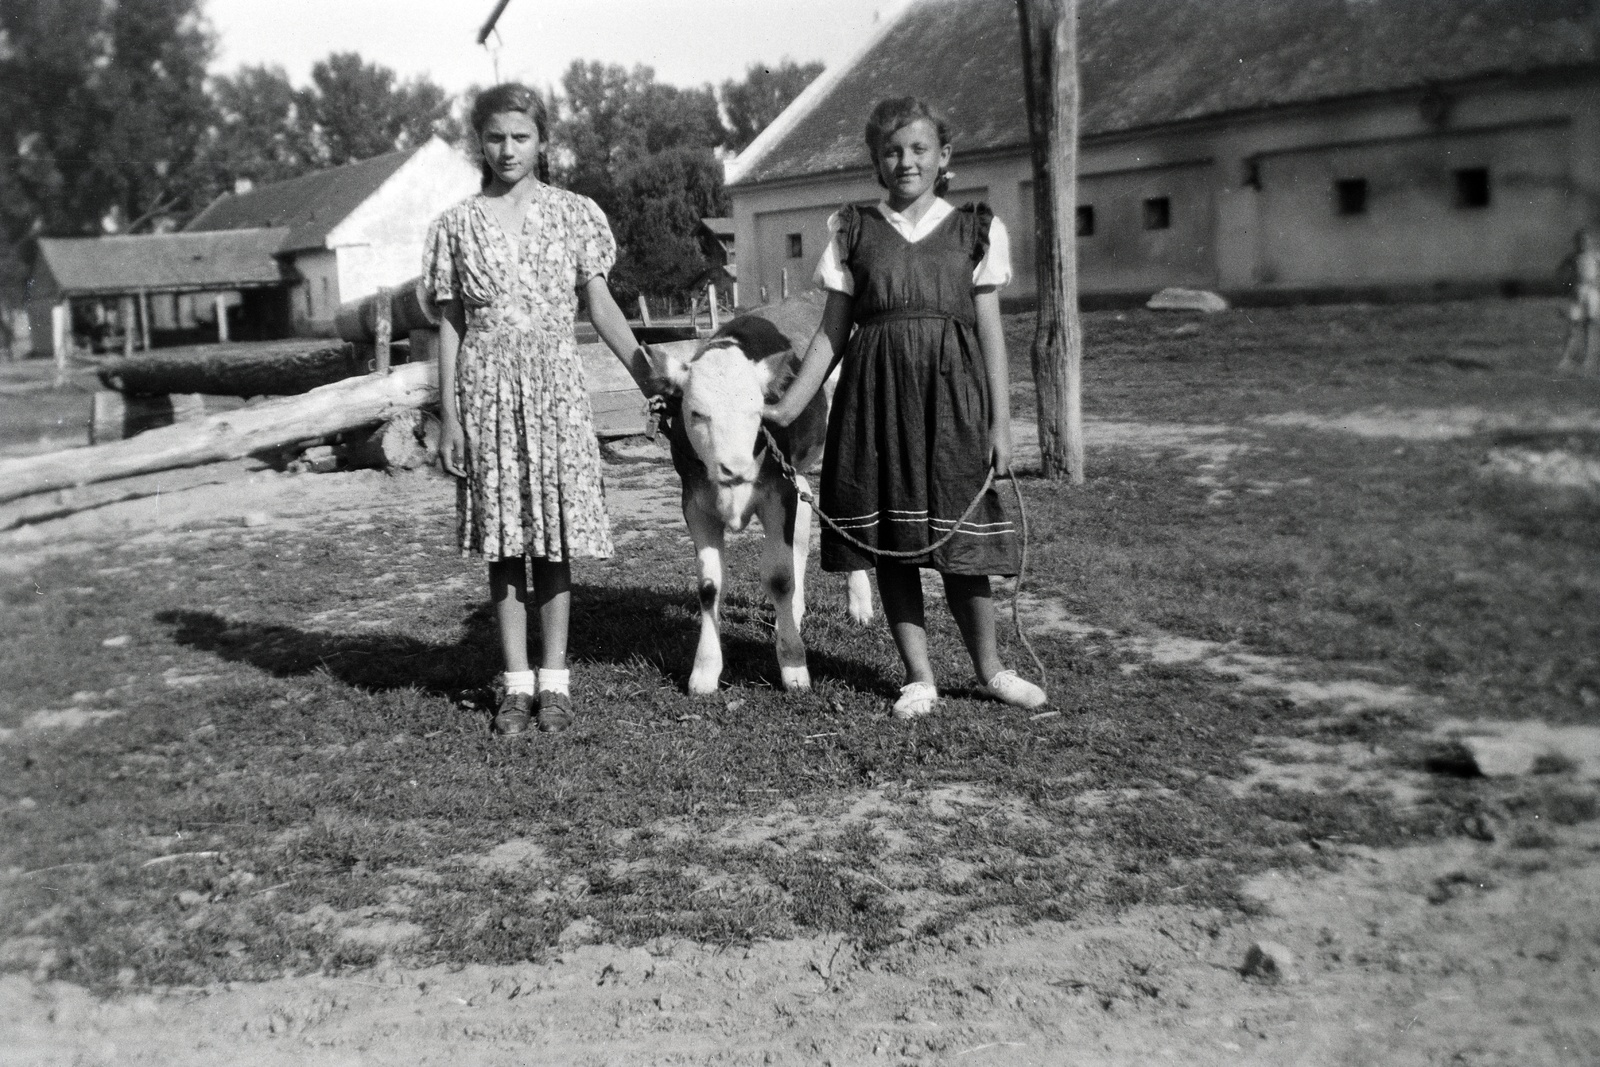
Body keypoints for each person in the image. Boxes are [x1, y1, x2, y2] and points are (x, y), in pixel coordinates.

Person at [764, 96, 1048, 719]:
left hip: (954, 404)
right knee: (893, 541)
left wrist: (1002, 424)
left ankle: (993, 668)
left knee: (961, 544)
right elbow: (832, 333)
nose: (906, 161)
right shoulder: (854, 232)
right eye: (891, 151)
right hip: (876, 400)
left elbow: (992, 335)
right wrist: (789, 406)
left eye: (919, 149)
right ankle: (918, 677)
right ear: (875, 162)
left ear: (944, 157)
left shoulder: (975, 228)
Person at [423, 83, 655, 736]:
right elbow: (451, 324)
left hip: (554, 391)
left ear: (541, 141)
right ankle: (515, 685)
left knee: (553, 540)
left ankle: (555, 684)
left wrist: (647, 375)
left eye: (520, 136)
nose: (507, 149)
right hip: (487, 392)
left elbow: (600, 305)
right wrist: (451, 414)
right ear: (480, 142)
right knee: (503, 545)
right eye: (495, 137)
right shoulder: (457, 225)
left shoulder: (575, 214)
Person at [1558, 228, 1600, 375]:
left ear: (1590, 241)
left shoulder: (1595, 255)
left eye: (1586, 240)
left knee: (1589, 324)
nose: (1583, 243)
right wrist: (1569, 285)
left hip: (1592, 292)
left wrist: (1596, 283)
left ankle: (1587, 359)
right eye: (1580, 241)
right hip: (1578, 291)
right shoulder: (1573, 257)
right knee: (1573, 325)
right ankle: (1565, 358)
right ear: (1576, 242)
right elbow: (1561, 270)